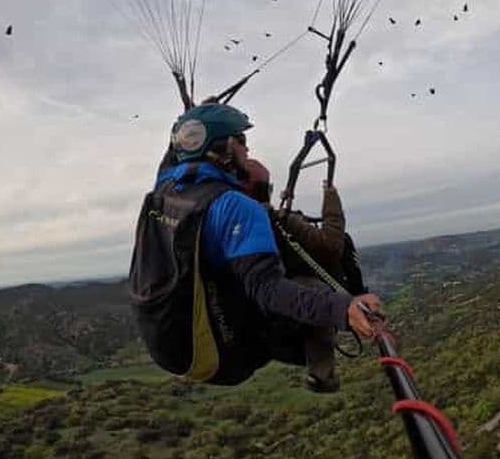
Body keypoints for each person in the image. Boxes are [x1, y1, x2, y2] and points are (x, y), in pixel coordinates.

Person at [128, 100, 381, 392]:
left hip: (163, 343)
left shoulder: (165, 187)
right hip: (218, 358)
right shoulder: (235, 207)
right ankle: (321, 373)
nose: (247, 150)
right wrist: (342, 308)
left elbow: (175, 152)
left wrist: (197, 117)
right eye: (241, 140)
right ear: (224, 147)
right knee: (314, 289)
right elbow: (268, 289)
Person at [241, 158, 349, 391]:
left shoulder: (225, 225)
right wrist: (331, 197)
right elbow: (331, 246)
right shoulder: (278, 222)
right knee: (317, 293)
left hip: (249, 325)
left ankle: (321, 372)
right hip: (281, 318)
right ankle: (321, 372)